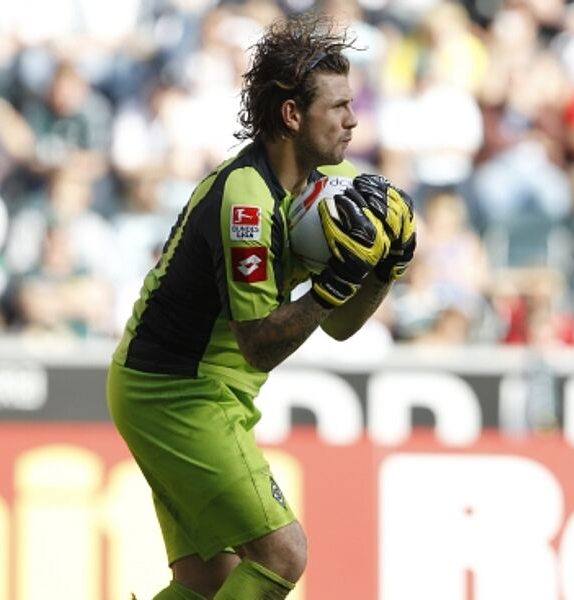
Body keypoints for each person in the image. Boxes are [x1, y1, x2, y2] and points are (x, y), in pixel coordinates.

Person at [106, 13, 416, 600]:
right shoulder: (246, 202)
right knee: (283, 553)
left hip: (196, 389)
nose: (353, 119)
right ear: (293, 115)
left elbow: (341, 326)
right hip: (173, 392)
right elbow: (258, 344)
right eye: (338, 107)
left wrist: (383, 272)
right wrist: (333, 284)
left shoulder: (335, 181)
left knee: (209, 582)